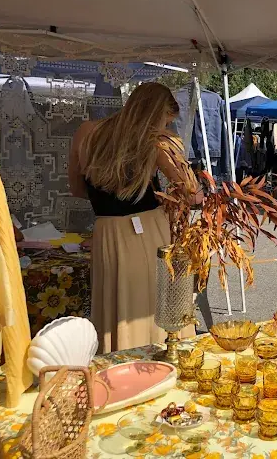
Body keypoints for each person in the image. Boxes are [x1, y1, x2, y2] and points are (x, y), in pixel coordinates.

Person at [69, 82, 200, 352]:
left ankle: (118, 360)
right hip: (148, 229)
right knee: (156, 303)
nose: (166, 126)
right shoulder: (156, 142)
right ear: (157, 114)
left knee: (115, 305)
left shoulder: (87, 132)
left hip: (107, 231)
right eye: (165, 120)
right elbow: (193, 194)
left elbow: (77, 189)